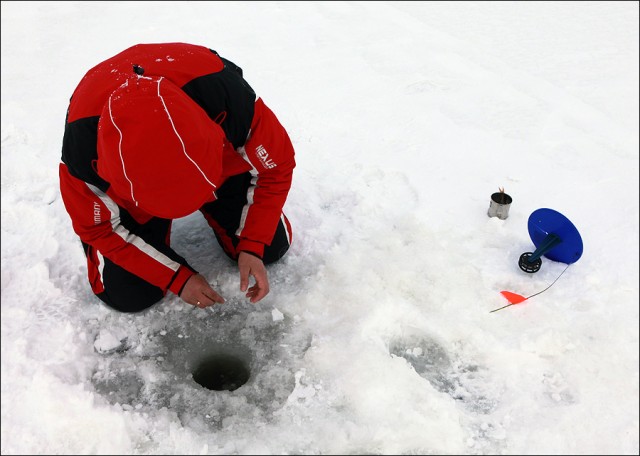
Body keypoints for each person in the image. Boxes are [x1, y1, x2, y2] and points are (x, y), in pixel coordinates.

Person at [59, 42, 295, 313]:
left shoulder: (227, 97)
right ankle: (160, 209)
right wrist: (176, 277)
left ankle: (215, 196)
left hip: (215, 156)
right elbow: (98, 228)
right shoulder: (81, 154)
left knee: (270, 247)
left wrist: (253, 243)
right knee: (129, 294)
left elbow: (275, 167)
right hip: (134, 186)